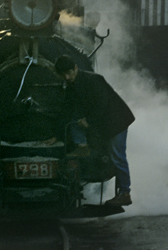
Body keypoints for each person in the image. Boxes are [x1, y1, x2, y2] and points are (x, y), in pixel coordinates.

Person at [55, 55, 136, 207]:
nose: (67, 77)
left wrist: (89, 121)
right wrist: (56, 135)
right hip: (101, 124)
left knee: (117, 156)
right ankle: (82, 147)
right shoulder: (71, 86)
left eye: (69, 72)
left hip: (116, 121)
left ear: (76, 68)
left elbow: (102, 104)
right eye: (63, 74)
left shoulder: (93, 80)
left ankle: (125, 193)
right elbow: (67, 110)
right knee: (75, 122)